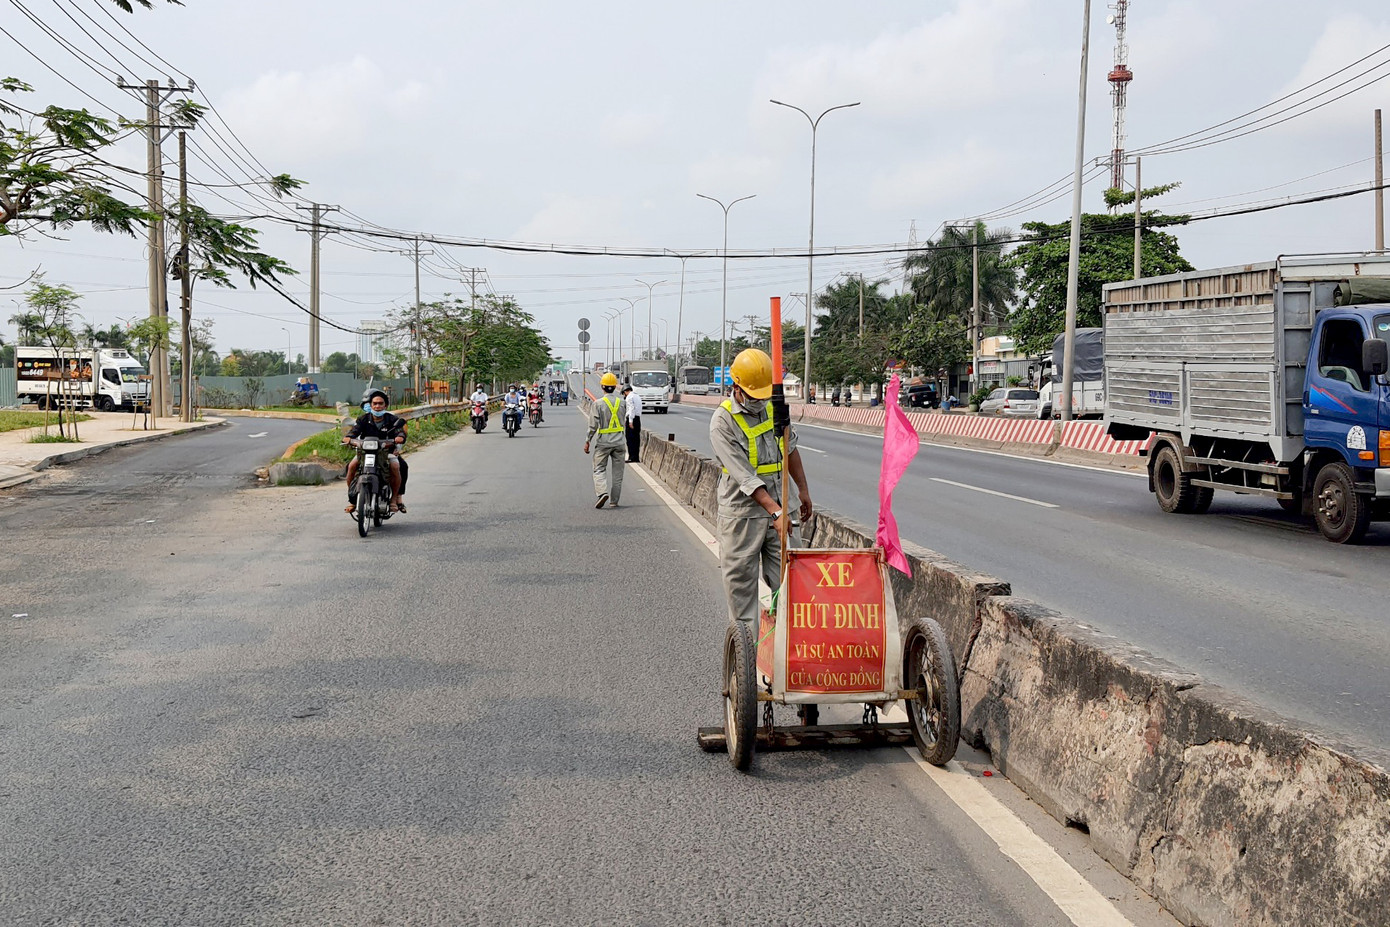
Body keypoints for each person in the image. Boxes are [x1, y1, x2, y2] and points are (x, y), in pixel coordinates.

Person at [710, 348, 813, 626]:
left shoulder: (773, 409)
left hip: (782, 508)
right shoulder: (722, 422)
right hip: (742, 516)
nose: (760, 401)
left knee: (791, 586)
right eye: (754, 396)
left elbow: (790, 448)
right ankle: (747, 648)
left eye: (764, 395)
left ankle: (782, 645)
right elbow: (744, 476)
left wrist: (802, 490)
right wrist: (774, 511)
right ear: (737, 388)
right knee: (741, 590)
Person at [343, 389, 407, 514]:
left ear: (385, 406)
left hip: (386, 452)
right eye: (375, 403)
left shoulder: (392, 419)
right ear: (370, 405)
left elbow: (400, 432)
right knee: (351, 466)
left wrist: (399, 437)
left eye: (380, 403)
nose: (377, 406)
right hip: (365, 452)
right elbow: (353, 432)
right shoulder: (363, 419)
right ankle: (353, 500)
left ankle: (394, 500)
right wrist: (349, 438)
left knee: (396, 466)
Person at [583, 372, 625, 508]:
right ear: (615, 386)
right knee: (618, 474)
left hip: (604, 443)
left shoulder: (598, 404)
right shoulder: (622, 402)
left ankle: (602, 493)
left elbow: (593, 425)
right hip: (620, 442)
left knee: (599, 469)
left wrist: (588, 440)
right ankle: (614, 501)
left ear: (602, 386)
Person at [622, 384, 642, 463]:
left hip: (632, 419)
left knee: (630, 439)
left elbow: (631, 409)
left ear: (625, 391)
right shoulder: (637, 396)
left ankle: (631, 457)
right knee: (636, 439)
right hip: (637, 419)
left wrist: (630, 421)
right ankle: (636, 457)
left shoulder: (629, 397)